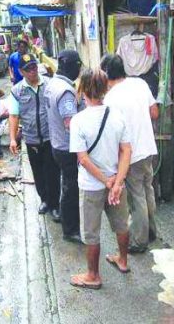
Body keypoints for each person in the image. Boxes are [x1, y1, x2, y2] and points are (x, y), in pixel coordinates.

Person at [69, 69, 132, 289]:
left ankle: (93, 275)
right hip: (116, 182)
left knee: (91, 231)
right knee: (121, 223)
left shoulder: (78, 121)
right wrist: (117, 182)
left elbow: (83, 159)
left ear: (83, 90)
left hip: (92, 185)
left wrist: (106, 182)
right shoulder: (117, 115)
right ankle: (123, 261)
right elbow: (126, 151)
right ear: (106, 89)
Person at [101, 54, 160, 253]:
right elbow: (154, 113)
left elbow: (112, 133)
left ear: (106, 74)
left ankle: (140, 240)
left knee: (136, 198)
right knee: (147, 189)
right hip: (148, 147)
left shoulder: (109, 99)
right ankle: (151, 231)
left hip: (131, 154)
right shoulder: (140, 84)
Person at [9, 53, 61, 222]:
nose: (32, 72)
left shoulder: (49, 85)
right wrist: (12, 138)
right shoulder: (17, 91)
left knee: (52, 172)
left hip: (49, 137)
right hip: (31, 139)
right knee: (38, 173)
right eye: (28, 69)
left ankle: (55, 205)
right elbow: (14, 116)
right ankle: (44, 200)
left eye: (33, 67)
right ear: (21, 72)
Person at [45, 50, 83, 243]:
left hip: (56, 144)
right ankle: (71, 229)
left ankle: (66, 220)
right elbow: (71, 124)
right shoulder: (66, 91)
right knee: (71, 189)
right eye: (79, 66)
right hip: (67, 148)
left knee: (66, 185)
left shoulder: (52, 84)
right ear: (73, 66)